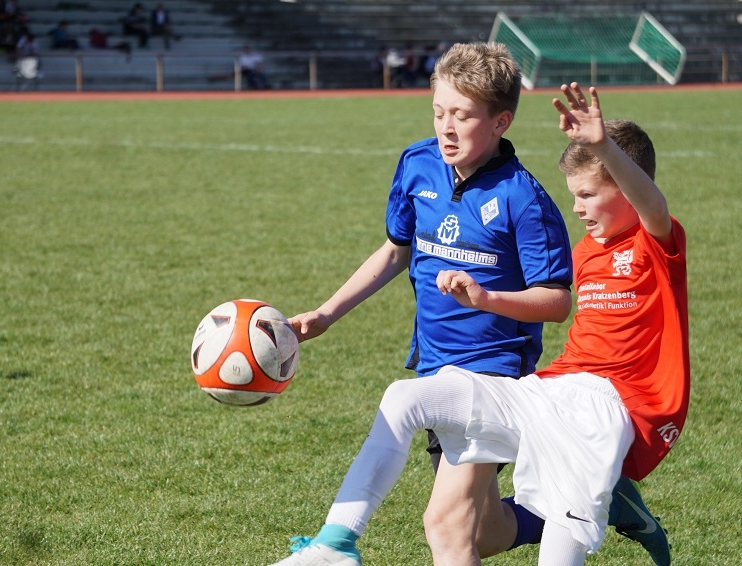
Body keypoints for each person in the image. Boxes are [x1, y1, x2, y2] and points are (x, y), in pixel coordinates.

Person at [274, 42, 670, 566]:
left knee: (446, 527)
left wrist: (485, 298)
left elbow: (558, 300)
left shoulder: (526, 200)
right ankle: (608, 504)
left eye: (462, 115)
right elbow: (396, 250)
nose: (447, 127)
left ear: (501, 121)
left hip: (495, 371)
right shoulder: (418, 165)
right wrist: (328, 312)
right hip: (442, 369)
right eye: (439, 112)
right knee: (482, 530)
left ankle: (335, 544)